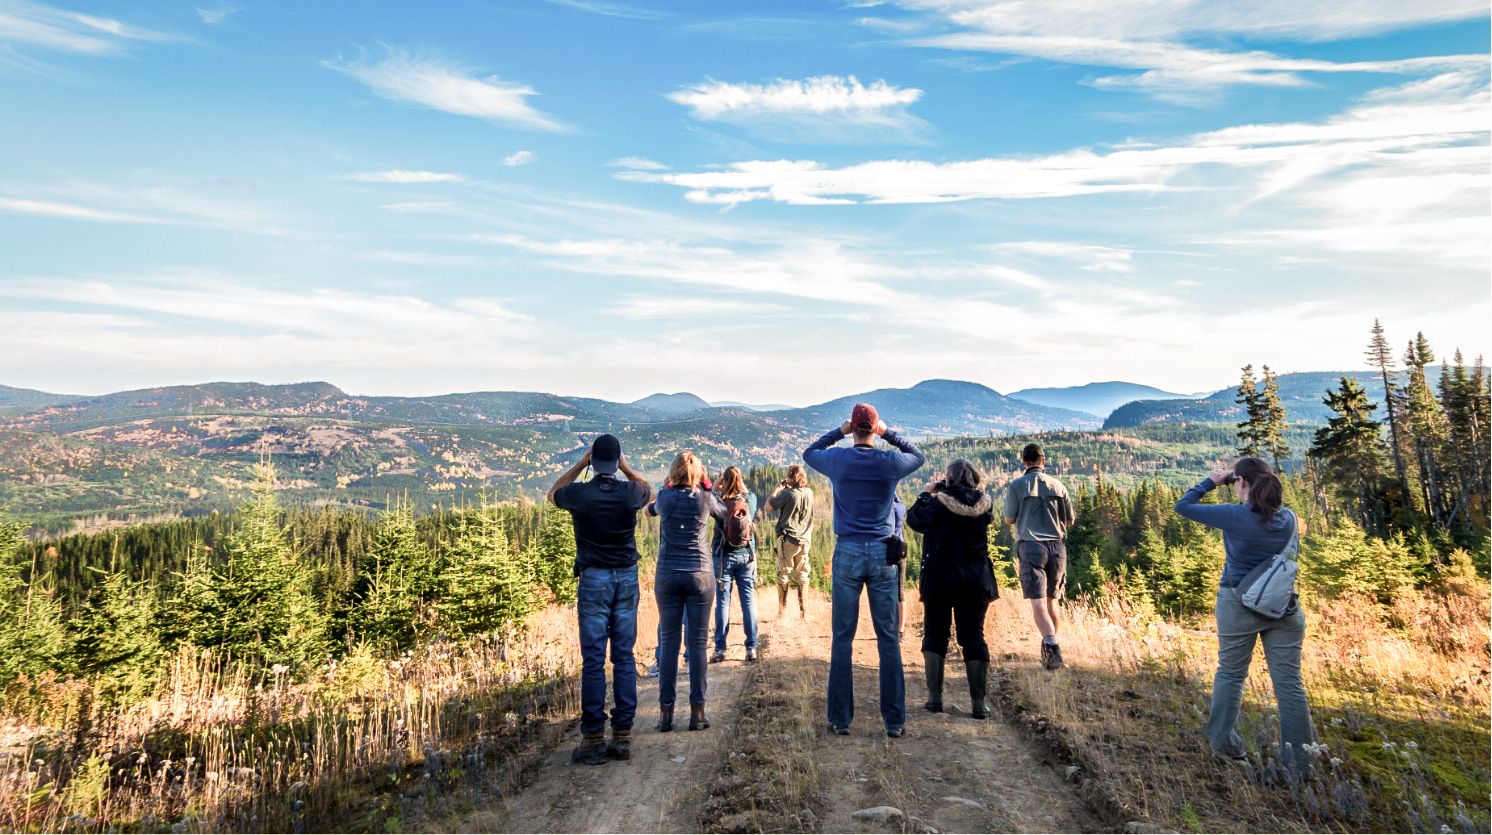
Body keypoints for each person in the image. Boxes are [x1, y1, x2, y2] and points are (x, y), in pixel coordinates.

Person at [1175, 456, 1316, 777]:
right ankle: (1301, 766)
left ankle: (1223, 743)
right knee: (1290, 685)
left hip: (1237, 603)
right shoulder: (1290, 518)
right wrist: (1235, 479)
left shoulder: (1236, 516)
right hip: (1284, 608)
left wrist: (1212, 481)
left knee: (1231, 674)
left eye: (1236, 481)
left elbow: (1182, 506)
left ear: (1241, 483)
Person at [803, 402, 925, 738]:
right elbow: (917, 455)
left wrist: (839, 432)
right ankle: (895, 721)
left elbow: (810, 451)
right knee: (888, 638)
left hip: (849, 551)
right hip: (884, 553)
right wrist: (888, 433)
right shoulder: (888, 462)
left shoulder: (839, 461)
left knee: (843, 637)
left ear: (854, 428)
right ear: (873, 428)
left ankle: (841, 719)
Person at [547, 434, 653, 765]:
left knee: (593, 659)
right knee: (623, 656)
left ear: (594, 462)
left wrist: (580, 463)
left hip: (594, 578)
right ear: (617, 462)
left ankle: (593, 738)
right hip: (626, 577)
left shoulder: (579, 494)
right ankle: (622, 735)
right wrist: (627, 467)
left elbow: (553, 494)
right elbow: (648, 489)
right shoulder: (629, 493)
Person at [906, 459, 997, 719]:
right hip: (975, 581)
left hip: (940, 579)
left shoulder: (938, 503)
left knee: (936, 634)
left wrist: (926, 492)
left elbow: (915, 520)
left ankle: (935, 699)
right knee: (974, 637)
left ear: (949, 479)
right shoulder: (985, 505)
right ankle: (978, 703)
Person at [647, 451, 726, 733]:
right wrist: (707, 485)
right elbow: (724, 514)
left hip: (668, 575)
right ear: (699, 474)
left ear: (672, 473)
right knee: (698, 643)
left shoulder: (664, 498)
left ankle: (666, 715)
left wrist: (668, 487)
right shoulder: (706, 500)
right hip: (700, 576)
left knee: (669, 643)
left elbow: (649, 509)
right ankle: (697, 713)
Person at [1002, 443, 1075, 670]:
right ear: (1043, 461)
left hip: (1032, 547)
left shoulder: (1017, 486)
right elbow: (1070, 519)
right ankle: (1050, 649)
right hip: (1057, 547)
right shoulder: (1059, 486)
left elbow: (1009, 519)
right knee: (1052, 602)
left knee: (1038, 603)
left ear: (1024, 462)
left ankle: (1052, 650)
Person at [711, 466, 760, 663]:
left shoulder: (720, 502)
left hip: (723, 557)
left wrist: (716, 486)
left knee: (723, 602)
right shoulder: (751, 499)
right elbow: (750, 500)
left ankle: (720, 649)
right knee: (748, 601)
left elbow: (708, 500)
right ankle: (752, 647)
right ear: (741, 481)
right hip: (746, 556)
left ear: (725, 480)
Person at [766, 465, 814, 620]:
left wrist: (776, 489)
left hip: (787, 539)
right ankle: (804, 612)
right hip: (805, 539)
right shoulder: (809, 493)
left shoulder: (787, 494)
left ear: (790, 477)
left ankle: (782, 612)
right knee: (803, 575)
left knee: (784, 574)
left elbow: (768, 507)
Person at [889, 493, 908, 640]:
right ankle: (901, 629)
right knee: (900, 590)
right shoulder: (900, 507)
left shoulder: (886, 507)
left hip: (887, 551)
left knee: (887, 591)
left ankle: (891, 626)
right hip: (900, 550)